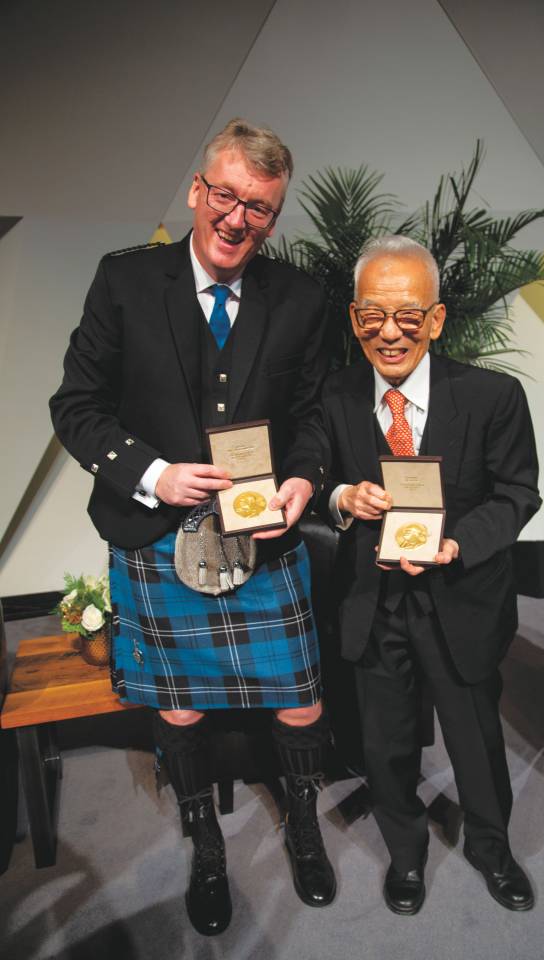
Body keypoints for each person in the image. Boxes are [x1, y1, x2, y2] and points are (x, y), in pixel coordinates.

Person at [50, 119, 336, 936]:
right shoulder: (125, 282)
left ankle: (304, 824)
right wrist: (154, 475)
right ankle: (206, 841)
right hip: (154, 536)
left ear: (274, 217)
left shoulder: (302, 298)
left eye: (259, 207)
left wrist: (304, 478)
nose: (237, 219)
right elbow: (76, 406)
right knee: (179, 708)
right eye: (225, 196)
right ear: (197, 190)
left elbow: (316, 416)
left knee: (299, 699)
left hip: (264, 539)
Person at [318, 235, 541, 916]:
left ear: (436, 319)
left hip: (459, 597)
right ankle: (406, 856)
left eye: (407, 315)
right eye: (373, 315)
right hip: (373, 599)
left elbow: (517, 494)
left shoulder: (493, 396)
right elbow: (314, 474)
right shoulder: (334, 395)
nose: (389, 333)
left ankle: (492, 849)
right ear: (355, 317)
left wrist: (456, 544)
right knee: (385, 743)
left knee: (475, 739)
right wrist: (342, 497)